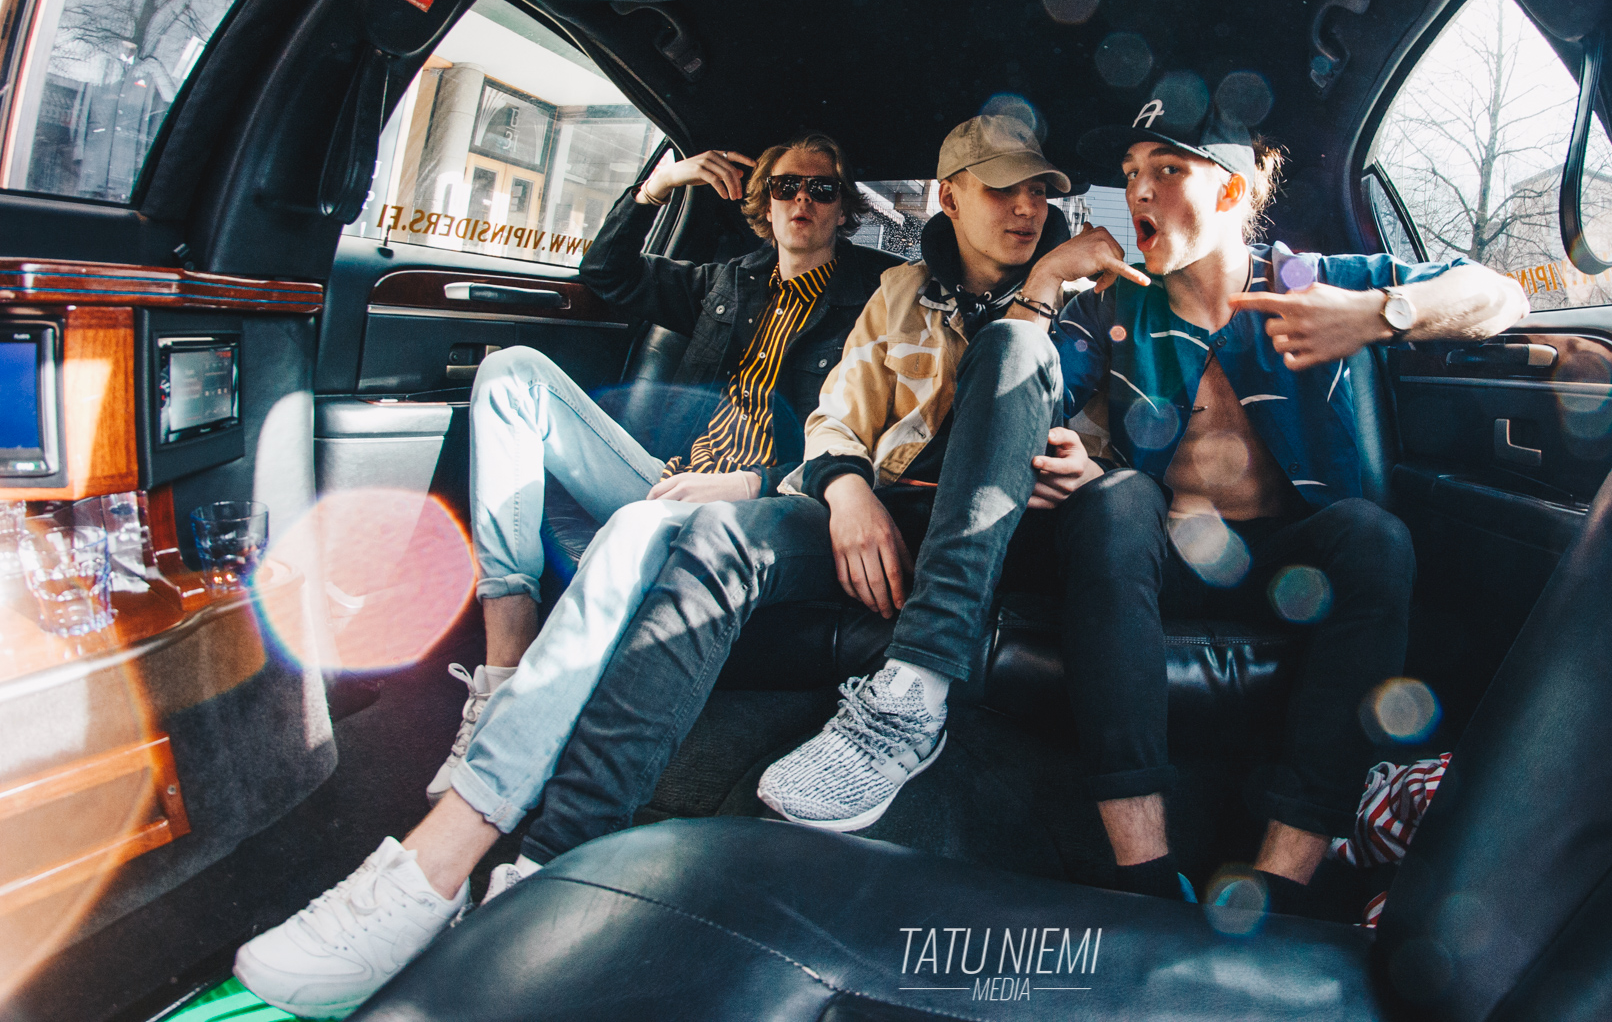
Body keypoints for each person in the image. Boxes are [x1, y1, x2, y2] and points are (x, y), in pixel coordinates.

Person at [231, 116, 1136, 1018]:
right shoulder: (872, 289)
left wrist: (1086, 456)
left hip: (965, 528)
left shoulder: (1075, 296)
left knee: (656, 522)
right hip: (824, 501)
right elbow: (833, 415)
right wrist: (847, 486)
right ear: (951, 195)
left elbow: (1121, 436)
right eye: (1002, 187)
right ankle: (542, 866)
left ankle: (468, 848)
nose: (1026, 207)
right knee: (668, 519)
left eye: (1039, 191)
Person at [1014, 90, 1528, 905]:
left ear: (1231, 188)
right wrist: (1045, 284)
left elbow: (1502, 296)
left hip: (1287, 570)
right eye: (1131, 171)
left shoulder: (1314, 283)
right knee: (1115, 500)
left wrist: (1381, 313)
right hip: (1157, 557)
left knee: (1374, 537)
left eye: (1167, 169)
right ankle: (1143, 873)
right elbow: (1012, 397)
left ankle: (1284, 881)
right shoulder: (1113, 300)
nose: (1138, 189)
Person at [429, 133, 894, 805]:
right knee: (511, 373)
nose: (802, 200)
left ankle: (514, 764)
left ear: (843, 208)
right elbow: (606, 273)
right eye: (785, 185)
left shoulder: (876, 299)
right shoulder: (726, 281)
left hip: (767, 507)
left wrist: (752, 482)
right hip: (668, 477)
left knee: (635, 527)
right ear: (764, 201)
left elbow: (865, 435)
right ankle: (503, 673)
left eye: (822, 189)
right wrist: (658, 187)